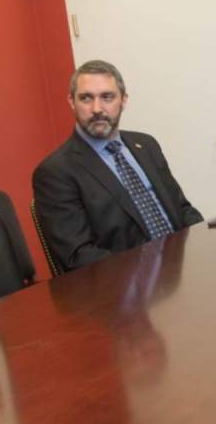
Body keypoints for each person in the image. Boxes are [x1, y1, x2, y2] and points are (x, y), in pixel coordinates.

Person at [32, 60, 202, 272]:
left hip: (181, 270)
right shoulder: (55, 172)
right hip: (125, 289)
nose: (97, 109)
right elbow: (78, 256)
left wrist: (203, 244)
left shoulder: (146, 145)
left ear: (123, 100)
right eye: (86, 98)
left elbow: (182, 210)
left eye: (107, 97)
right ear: (71, 102)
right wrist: (150, 271)